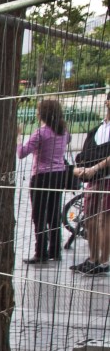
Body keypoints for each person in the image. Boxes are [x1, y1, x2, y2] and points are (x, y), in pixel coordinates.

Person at [17, 99, 70, 265]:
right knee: (54, 213)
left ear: (42, 114)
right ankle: (55, 250)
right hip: (58, 175)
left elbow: (22, 153)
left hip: (41, 176)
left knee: (39, 215)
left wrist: (18, 136)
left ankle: (41, 251)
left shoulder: (41, 133)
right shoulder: (64, 131)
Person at [73, 92, 110, 276]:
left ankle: (104, 261)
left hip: (107, 180)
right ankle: (93, 258)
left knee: (105, 220)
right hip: (93, 181)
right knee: (90, 219)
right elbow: (84, 155)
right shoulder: (96, 130)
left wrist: (95, 168)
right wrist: (79, 169)